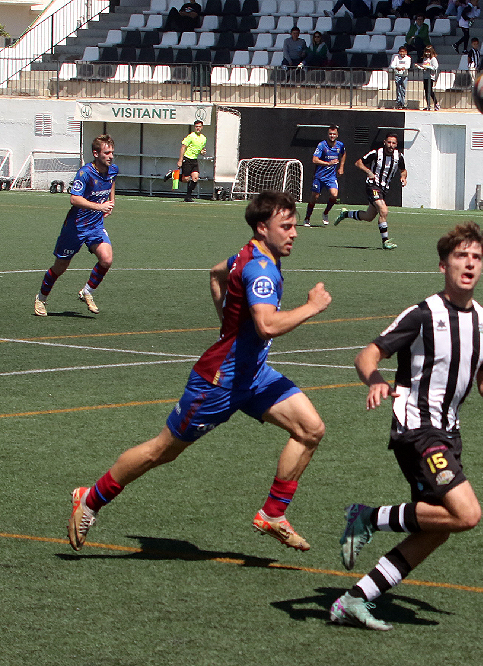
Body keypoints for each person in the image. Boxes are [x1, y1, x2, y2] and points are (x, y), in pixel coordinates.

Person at [67, 191, 332, 553]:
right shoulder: (261, 270)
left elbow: (216, 274)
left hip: (253, 376)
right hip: (218, 383)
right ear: (262, 227)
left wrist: (227, 326)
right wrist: (312, 306)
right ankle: (91, 498)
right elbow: (267, 325)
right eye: (285, 226)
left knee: (310, 429)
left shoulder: (248, 254)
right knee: (162, 451)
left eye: (294, 225)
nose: (294, 233)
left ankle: (273, 514)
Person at [328, 222, 483, 631]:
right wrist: (375, 380)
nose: (470, 264)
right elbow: (366, 356)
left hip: (448, 432)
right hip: (417, 428)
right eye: (461, 256)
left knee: (437, 528)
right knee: (466, 514)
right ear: (443, 265)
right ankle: (369, 517)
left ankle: (353, 600)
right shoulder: (423, 314)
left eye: (476, 257)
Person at [33, 134, 117, 317]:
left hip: (95, 226)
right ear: (96, 153)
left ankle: (87, 291)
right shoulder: (84, 173)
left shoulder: (112, 170)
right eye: (106, 153)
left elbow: (111, 182)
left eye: (112, 152)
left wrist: (112, 201)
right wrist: (100, 206)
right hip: (76, 227)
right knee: (60, 266)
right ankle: (41, 298)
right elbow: (74, 199)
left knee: (106, 259)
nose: (110, 156)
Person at [334, 133, 406, 250]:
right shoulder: (376, 153)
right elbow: (358, 162)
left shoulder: (399, 156)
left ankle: (346, 214)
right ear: (384, 142)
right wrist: (368, 172)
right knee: (383, 210)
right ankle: (385, 241)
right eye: (389, 142)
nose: (390, 145)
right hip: (373, 186)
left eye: (393, 143)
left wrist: (403, 177)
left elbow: (403, 170)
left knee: (369, 216)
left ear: (396, 144)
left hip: (384, 189)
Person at [303, 126, 346, 227]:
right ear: (328, 134)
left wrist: (341, 167)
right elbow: (314, 159)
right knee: (315, 197)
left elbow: (344, 154)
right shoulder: (322, 145)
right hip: (319, 176)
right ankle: (307, 218)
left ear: (337, 135)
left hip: (331, 177)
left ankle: (326, 213)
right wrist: (328, 163)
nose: (332, 136)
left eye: (334, 134)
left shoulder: (340, 145)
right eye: (330, 134)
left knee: (334, 195)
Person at [173, 119, 208, 203]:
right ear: (194, 127)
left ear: (202, 127)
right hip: (187, 159)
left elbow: (201, 149)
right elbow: (183, 147)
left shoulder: (203, 138)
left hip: (194, 160)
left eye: (199, 126)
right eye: (196, 126)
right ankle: (172, 175)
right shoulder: (191, 136)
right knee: (186, 179)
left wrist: (202, 152)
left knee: (195, 178)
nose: (198, 128)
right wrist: (180, 160)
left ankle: (188, 196)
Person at [416, 45, 440, 111]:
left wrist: (427, 67)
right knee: (426, 91)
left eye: (428, 52)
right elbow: (424, 67)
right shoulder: (425, 59)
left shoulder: (433, 59)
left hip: (430, 77)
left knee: (430, 90)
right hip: (425, 76)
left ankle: (436, 103)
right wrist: (419, 67)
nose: (427, 53)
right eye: (426, 51)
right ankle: (428, 105)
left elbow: (435, 67)